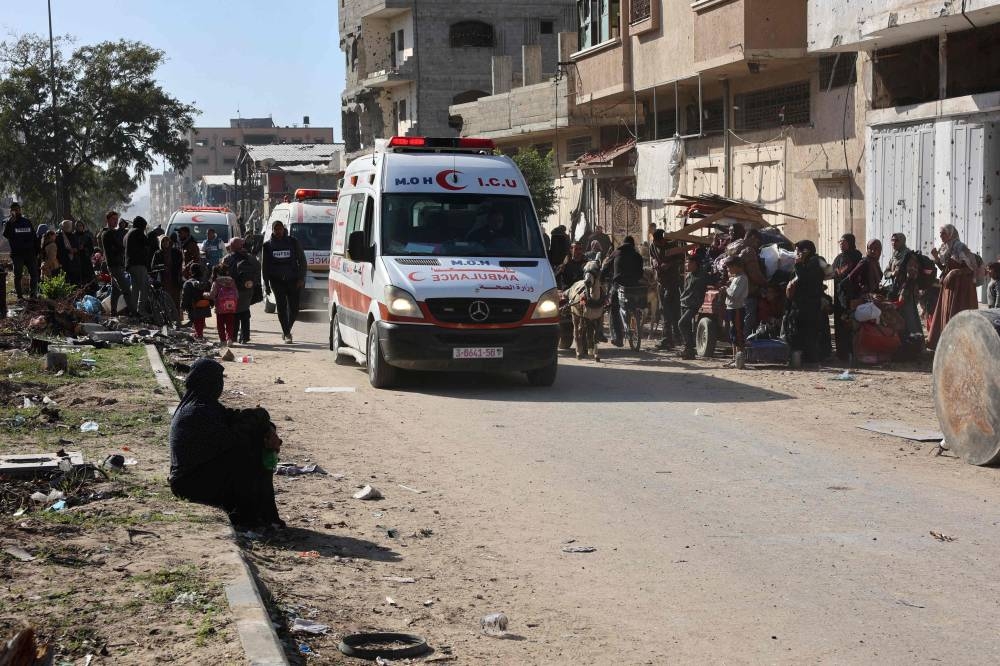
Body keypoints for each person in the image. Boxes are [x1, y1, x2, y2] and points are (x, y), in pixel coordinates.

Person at [168, 358, 283, 528]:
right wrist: (261, 435)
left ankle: (260, 514)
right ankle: (249, 516)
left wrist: (267, 429)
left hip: (199, 475)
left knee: (255, 439)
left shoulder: (206, 405)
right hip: (189, 483)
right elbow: (233, 439)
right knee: (250, 452)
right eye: (217, 381)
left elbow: (234, 418)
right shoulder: (197, 412)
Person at [928, 224, 979, 350]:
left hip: (961, 287)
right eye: (940, 233)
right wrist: (936, 258)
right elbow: (945, 268)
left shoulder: (960, 247)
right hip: (950, 286)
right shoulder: (945, 248)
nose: (941, 236)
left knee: (957, 312)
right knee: (946, 312)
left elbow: (970, 268)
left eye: (943, 233)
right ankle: (946, 343)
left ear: (950, 234)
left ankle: (960, 344)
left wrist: (954, 272)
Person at [262, 220, 307, 343]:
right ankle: (287, 334)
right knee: (281, 307)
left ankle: (287, 329)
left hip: (293, 280)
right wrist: (266, 284)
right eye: (276, 229)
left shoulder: (293, 242)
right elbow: (264, 267)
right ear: (273, 230)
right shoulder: (267, 246)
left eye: (280, 229)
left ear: (284, 229)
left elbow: (302, 261)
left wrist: (301, 278)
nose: (278, 231)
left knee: (294, 309)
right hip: (277, 281)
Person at [785, 240, 827, 364]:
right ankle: (807, 358)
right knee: (806, 331)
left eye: (797, 250)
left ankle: (807, 359)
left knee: (806, 331)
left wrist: (798, 264)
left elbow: (805, 279)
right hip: (805, 303)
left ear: (806, 251)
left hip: (807, 303)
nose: (796, 253)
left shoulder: (813, 262)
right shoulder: (810, 261)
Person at [649, 229, 685, 349]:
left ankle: (672, 338)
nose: (657, 245)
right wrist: (654, 262)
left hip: (672, 282)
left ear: (664, 240)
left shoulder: (673, 245)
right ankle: (671, 339)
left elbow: (681, 259)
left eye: (659, 243)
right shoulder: (653, 245)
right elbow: (652, 256)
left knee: (670, 310)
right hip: (661, 282)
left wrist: (669, 264)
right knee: (664, 310)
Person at [223, 238, 263, 344]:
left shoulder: (228, 258)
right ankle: (245, 336)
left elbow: (222, 271)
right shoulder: (251, 258)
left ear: (232, 246)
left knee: (234, 313)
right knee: (245, 311)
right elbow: (258, 270)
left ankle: (234, 336)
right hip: (247, 290)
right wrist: (253, 283)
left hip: (232, 290)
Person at [885, 232, 922, 339]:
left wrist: (904, 292)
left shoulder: (909, 255)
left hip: (907, 291)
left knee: (910, 317)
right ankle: (902, 343)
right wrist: (892, 274)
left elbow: (912, 276)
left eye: (896, 240)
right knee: (898, 317)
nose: (893, 243)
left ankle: (916, 344)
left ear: (902, 241)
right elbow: (886, 271)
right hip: (896, 290)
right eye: (892, 240)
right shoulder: (895, 255)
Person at [831, 234, 863, 360]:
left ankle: (852, 352)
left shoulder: (856, 256)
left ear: (850, 242)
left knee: (850, 323)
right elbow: (834, 272)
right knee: (839, 322)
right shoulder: (839, 258)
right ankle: (841, 353)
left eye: (844, 242)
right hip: (839, 295)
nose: (841, 244)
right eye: (840, 242)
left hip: (852, 295)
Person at [609, 236, 644, 347]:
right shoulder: (638, 256)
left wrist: (602, 277)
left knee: (614, 308)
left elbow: (606, 267)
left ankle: (618, 337)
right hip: (634, 287)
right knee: (633, 303)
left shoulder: (616, 253)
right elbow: (640, 272)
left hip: (619, 286)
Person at [98, 211, 134, 316]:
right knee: (126, 289)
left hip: (118, 264)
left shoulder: (114, 232)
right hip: (114, 265)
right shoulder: (107, 233)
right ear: (108, 220)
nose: (116, 221)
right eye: (113, 219)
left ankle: (113, 311)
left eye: (116, 219)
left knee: (115, 289)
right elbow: (119, 247)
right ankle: (133, 312)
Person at [3, 202, 39, 299]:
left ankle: (33, 295)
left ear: (20, 210)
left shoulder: (27, 221)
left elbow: (34, 237)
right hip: (17, 254)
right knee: (18, 276)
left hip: (30, 254)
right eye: (14, 210)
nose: (16, 211)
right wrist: (10, 223)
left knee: (34, 274)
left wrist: (37, 251)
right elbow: (6, 235)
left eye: (18, 209)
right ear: (11, 211)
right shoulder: (9, 223)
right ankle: (20, 296)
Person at [678, 252, 709, 360]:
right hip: (684, 303)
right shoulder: (688, 275)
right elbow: (685, 290)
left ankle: (689, 348)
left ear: (695, 263)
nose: (687, 265)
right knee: (685, 326)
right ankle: (689, 351)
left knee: (681, 323)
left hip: (693, 304)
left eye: (689, 263)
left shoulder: (702, 275)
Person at [152, 235, 183, 325]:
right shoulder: (158, 253)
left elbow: (179, 263)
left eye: (167, 241)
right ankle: (167, 320)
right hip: (163, 280)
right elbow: (153, 266)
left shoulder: (176, 252)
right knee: (164, 300)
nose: (166, 243)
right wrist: (162, 267)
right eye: (163, 241)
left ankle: (177, 320)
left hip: (174, 279)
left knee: (176, 300)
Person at [723, 257, 749, 367]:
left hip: (737, 308)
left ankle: (740, 359)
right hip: (731, 308)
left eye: (730, 267)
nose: (728, 269)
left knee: (738, 333)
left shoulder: (742, 278)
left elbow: (734, 295)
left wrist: (725, 289)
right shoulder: (735, 278)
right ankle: (734, 358)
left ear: (736, 266)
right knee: (733, 333)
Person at [125, 216, 151, 316]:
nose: (145, 228)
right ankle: (141, 310)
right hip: (138, 264)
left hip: (130, 265)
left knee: (135, 289)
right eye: (144, 226)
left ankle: (133, 311)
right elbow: (147, 242)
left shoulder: (128, 233)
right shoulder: (137, 232)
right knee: (144, 288)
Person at [210, 263, 239, 345]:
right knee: (230, 324)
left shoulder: (216, 282)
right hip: (231, 306)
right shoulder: (232, 281)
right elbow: (236, 294)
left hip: (220, 307)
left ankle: (222, 340)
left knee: (220, 324)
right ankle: (229, 338)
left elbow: (212, 294)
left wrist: (205, 295)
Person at [181, 263, 211, 339]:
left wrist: (183, 306)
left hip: (193, 305)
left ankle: (199, 335)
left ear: (191, 271)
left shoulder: (188, 283)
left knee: (196, 320)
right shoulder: (206, 282)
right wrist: (212, 303)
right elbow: (210, 293)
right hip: (205, 305)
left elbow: (185, 296)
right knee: (201, 320)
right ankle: (198, 333)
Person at [55, 220, 80, 286]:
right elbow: (59, 249)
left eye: (70, 225)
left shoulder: (73, 236)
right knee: (65, 280)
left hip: (73, 261)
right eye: (67, 226)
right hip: (64, 261)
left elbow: (77, 245)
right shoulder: (59, 237)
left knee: (74, 280)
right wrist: (69, 251)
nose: (69, 227)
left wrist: (76, 249)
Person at [75, 220, 96, 285]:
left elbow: (91, 249)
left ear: (83, 227)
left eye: (80, 225)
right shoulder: (73, 236)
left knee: (89, 277)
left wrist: (84, 248)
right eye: (77, 226)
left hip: (86, 259)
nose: (79, 227)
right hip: (77, 260)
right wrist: (77, 248)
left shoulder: (87, 236)